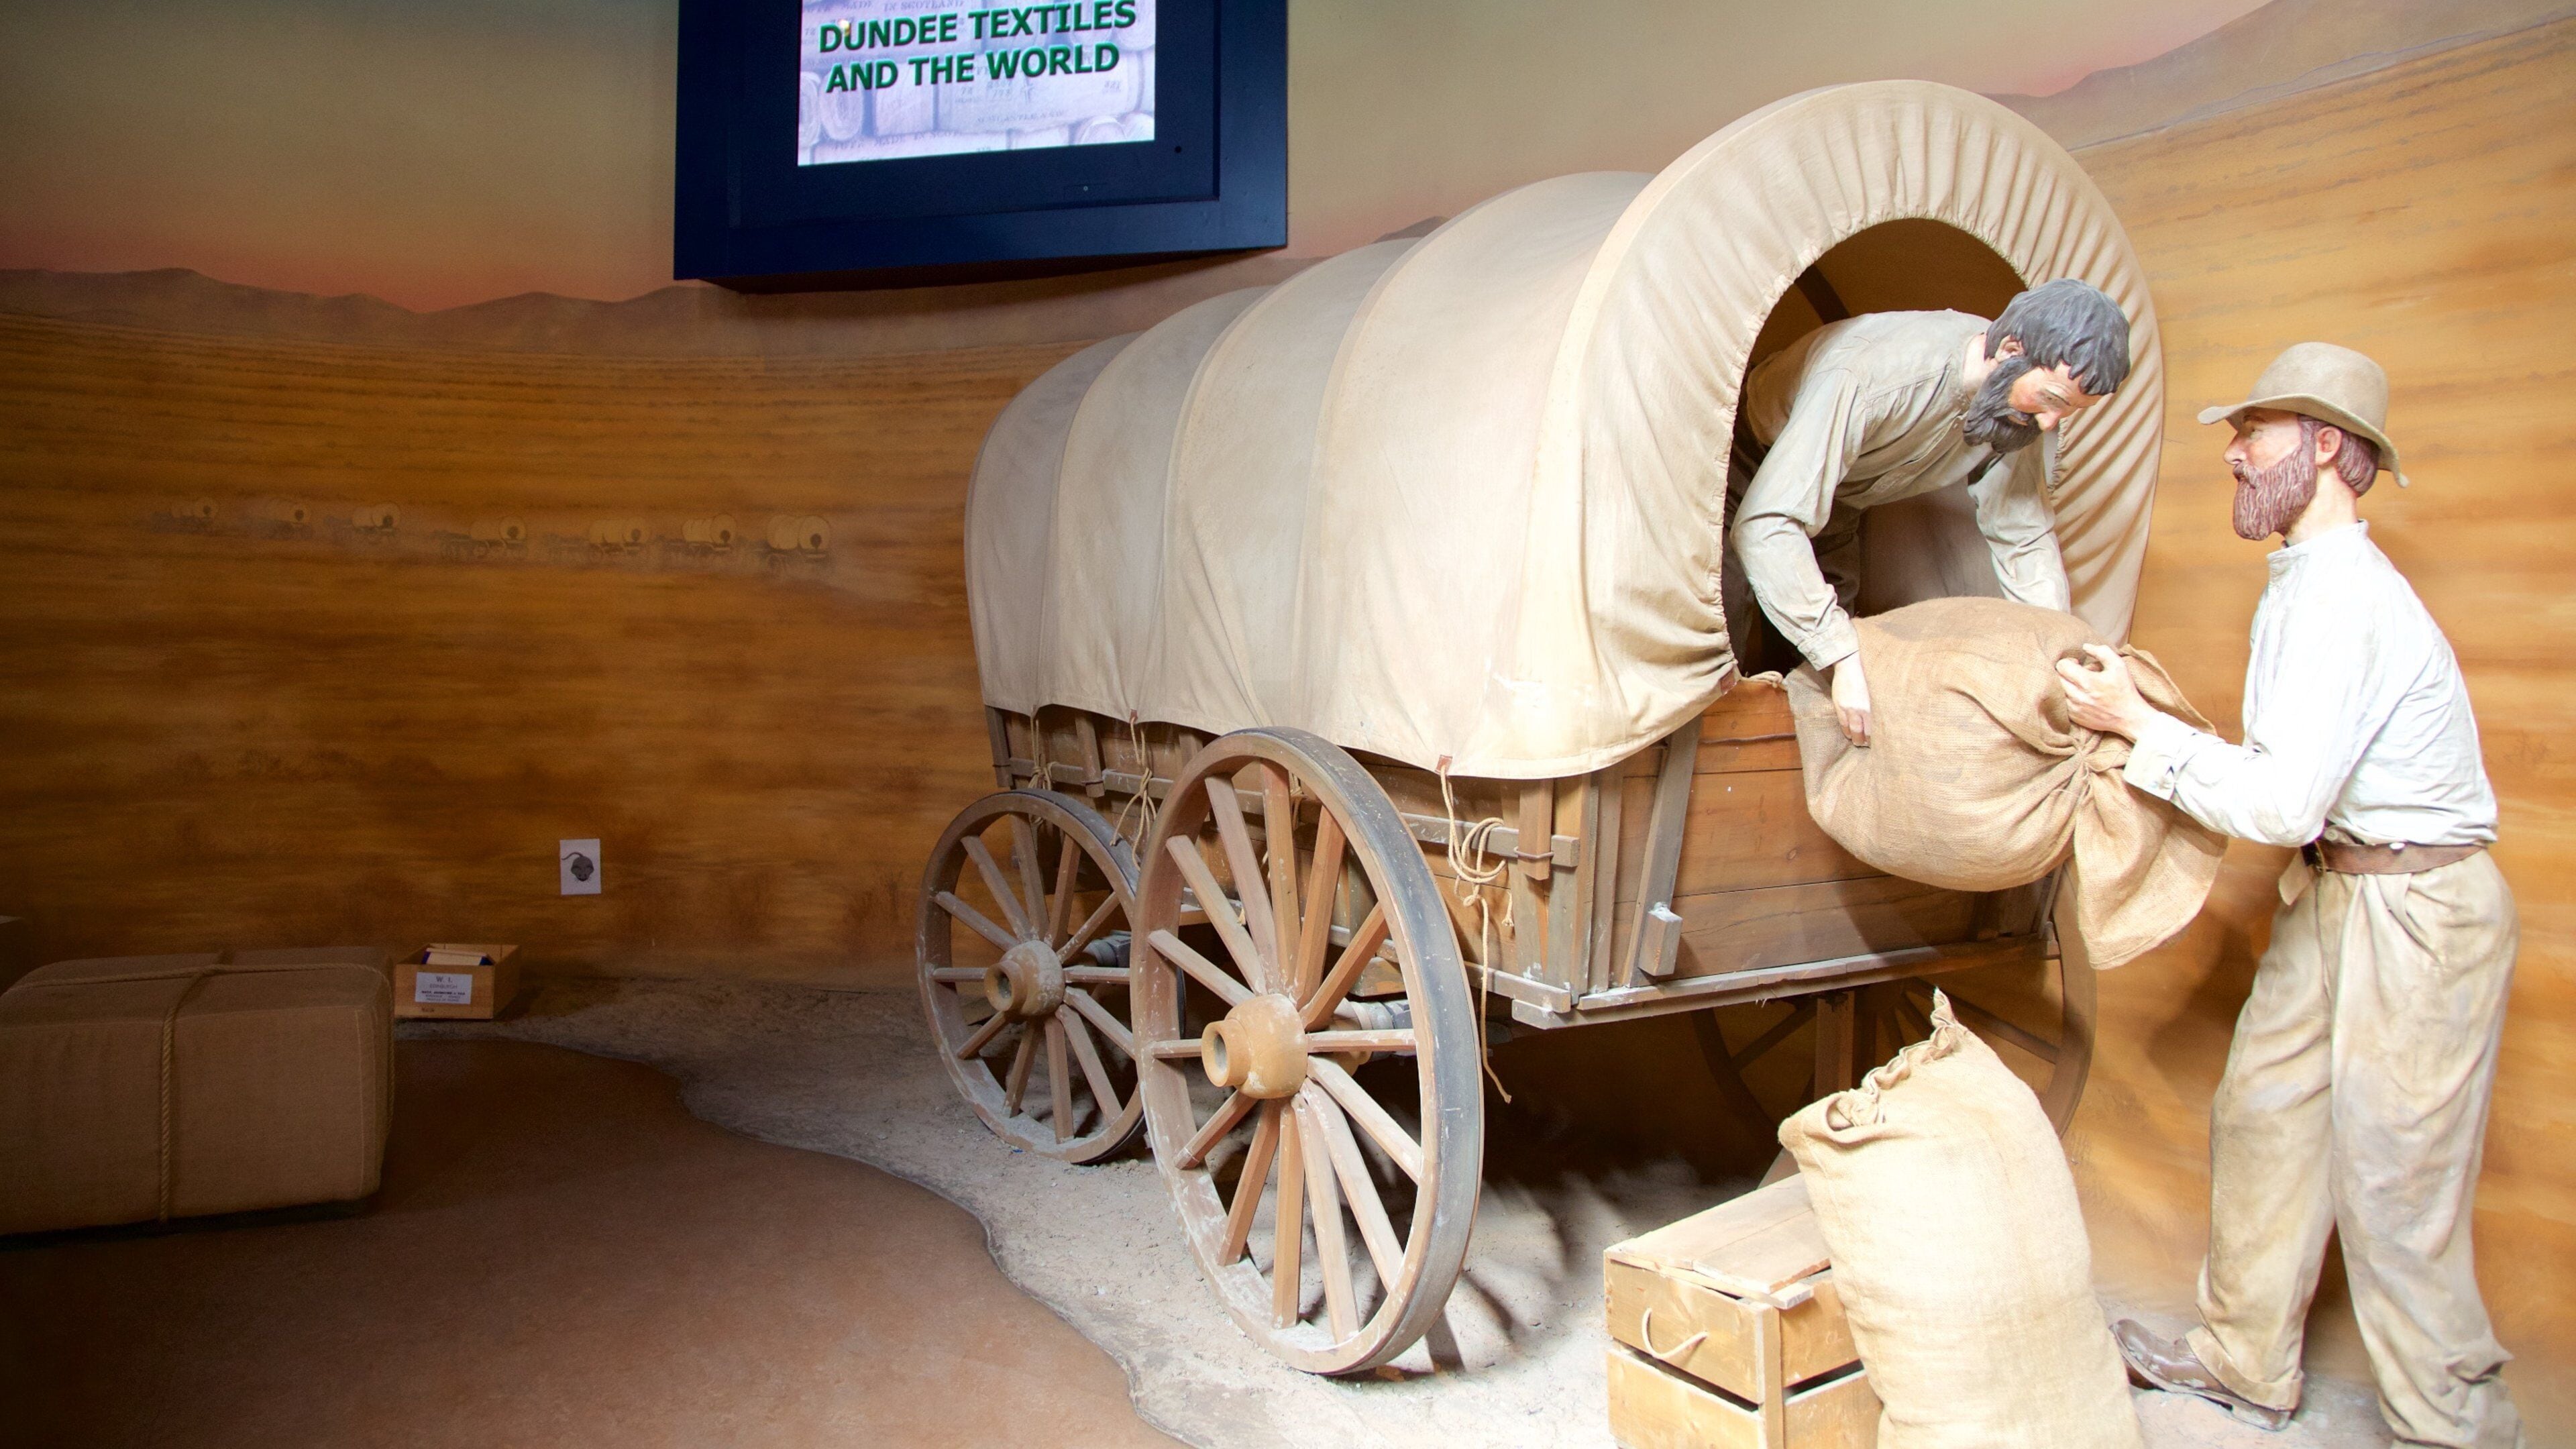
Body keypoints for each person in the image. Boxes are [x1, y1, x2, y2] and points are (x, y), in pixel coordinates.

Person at [2055, 343, 2521, 1447]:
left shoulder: (2348, 598)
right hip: (2339, 896)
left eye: (2255, 432)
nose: (2234, 452)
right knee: (2264, 1115)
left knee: (2399, 1186)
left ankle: (2452, 1423)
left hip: (2421, 911)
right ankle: (2243, 1358)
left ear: (2323, 447)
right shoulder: (2304, 585)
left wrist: (2137, 727)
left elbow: (2280, 805)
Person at [1727, 278, 2131, 744]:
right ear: (2011, 350)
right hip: (1750, 460)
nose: (2050, 423)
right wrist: (1840, 656)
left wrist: (2059, 654)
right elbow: (1768, 524)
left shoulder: (2020, 409)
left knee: (1825, 644)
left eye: (2070, 412)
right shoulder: (1871, 375)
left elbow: (2023, 535)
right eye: (2053, 400)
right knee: (1732, 617)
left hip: (1842, 494)